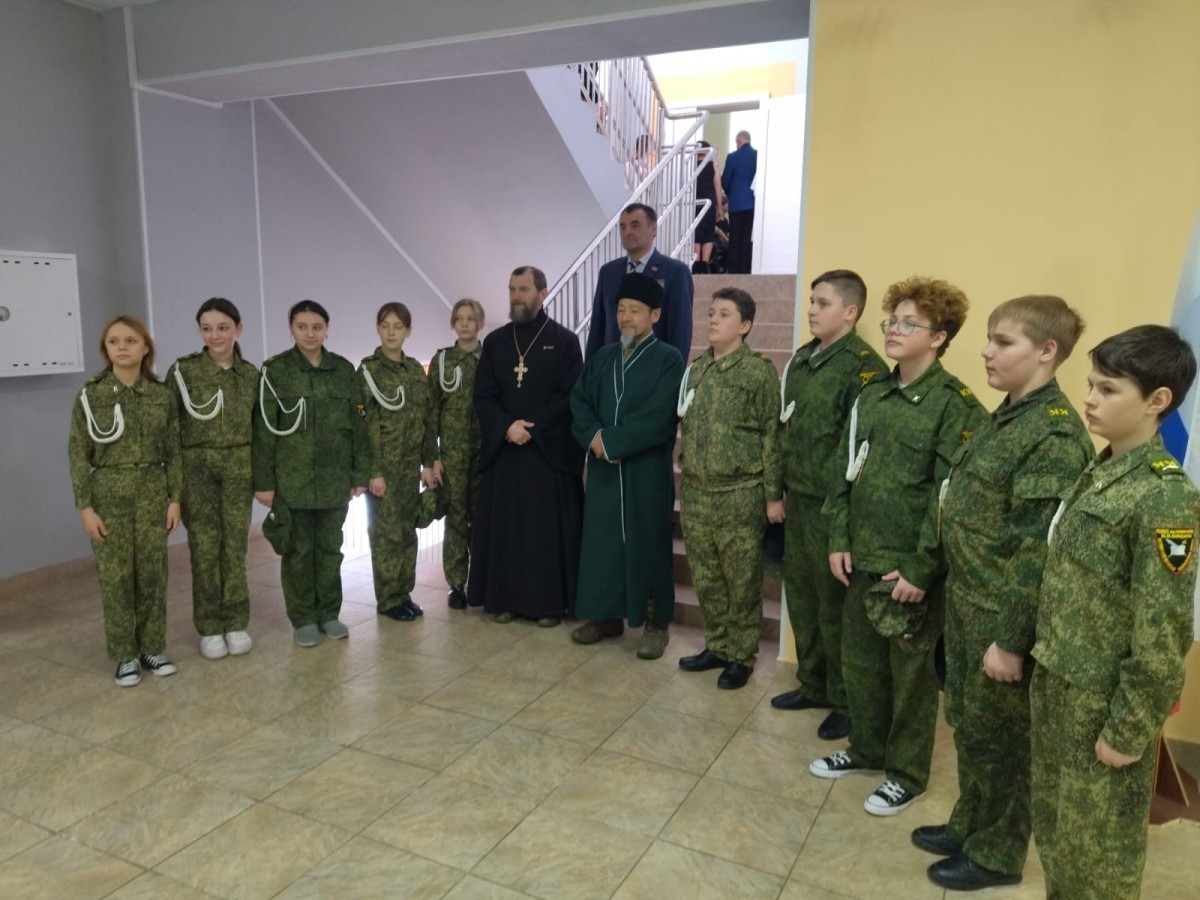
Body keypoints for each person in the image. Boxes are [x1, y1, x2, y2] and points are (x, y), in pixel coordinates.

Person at [917, 296, 1093, 890]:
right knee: (972, 726)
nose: (987, 352)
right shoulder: (1008, 417)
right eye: (990, 338)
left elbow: (1035, 550)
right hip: (969, 604)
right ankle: (971, 823)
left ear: (1047, 351)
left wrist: (1012, 640)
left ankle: (996, 853)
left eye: (1003, 342)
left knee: (1003, 743)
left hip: (1001, 615)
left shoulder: (1053, 435)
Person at [1029, 325, 1200, 899]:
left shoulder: (1165, 495)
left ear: (1157, 400)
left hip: (1102, 705)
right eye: (1090, 385)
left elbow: (1163, 630)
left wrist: (1128, 730)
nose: (1090, 400)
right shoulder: (1101, 470)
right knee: (1058, 841)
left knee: (1098, 863)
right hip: (1059, 686)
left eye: (1108, 389)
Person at [810, 276, 987, 817]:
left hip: (908, 572)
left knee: (911, 680)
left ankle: (906, 775)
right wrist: (839, 537)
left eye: (910, 324)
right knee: (860, 666)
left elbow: (947, 499)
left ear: (939, 337)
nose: (894, 330)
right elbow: (845, 472)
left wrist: (920, 568)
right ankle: (866, 749)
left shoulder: (954, 406)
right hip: (860, 559)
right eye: (893, 320)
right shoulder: (872, 395)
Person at [771, 270, 885, 743]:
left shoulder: (864, 368)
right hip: (798, 501)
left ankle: (844, 700)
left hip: (834, 509)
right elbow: (783, 429)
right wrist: (775, 491)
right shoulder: (803, 359)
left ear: (851, 312)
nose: (812, 310)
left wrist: (842, 515)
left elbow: (858, 448)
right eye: (811, 302)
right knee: (802, 599)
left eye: (823, 303)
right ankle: (813, 683)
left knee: (836, 610)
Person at [570, 273, 684, 659]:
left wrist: (614, 442)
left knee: (648, 542)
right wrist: (594, 439)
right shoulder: (603, 357)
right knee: (602, 542)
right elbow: (580, 401)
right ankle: (605, 617)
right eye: (621, 310)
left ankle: (655, 623)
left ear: (655, 314)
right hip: (603, 470)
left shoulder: (668, 359)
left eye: (635, 310)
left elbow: (660, 415)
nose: (625, 318)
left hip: (644, 469)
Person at [676, 287, 783, 689]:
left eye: (724, 314)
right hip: (697, 493)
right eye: (711, 313)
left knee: (741, 581)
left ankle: (741, 655)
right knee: (706, 577)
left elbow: (772, 435)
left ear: (745, 325)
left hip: (740, 494)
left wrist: (772, 495)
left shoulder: (757, 371)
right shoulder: (697, 369)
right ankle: (717, 645)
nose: (713, 320)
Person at [68, 315, 182, 687]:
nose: (122, 347)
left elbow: (174, 451)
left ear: (145, 347)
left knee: (152, 577)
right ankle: (125, 656)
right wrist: (85, 507)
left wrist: (175, 499)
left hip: (152, 493)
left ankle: (152, 648)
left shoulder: (161, 395)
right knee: (116, 579)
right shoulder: (91, 395)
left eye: (131, 341)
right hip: (109, 494)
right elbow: (77, 454)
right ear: (106, 349)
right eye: (114, 341)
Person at [467, 266, 584, 625]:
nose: (516, 296)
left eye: (523, 289)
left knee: (542, 533)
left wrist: (531, 427)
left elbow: (570, 395)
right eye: (511, 289)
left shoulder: (565, 341)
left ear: (542, 293)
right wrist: (506, 427)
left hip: (547, 452)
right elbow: (483, 395)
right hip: (506, 450)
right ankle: (505, 600)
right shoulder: (496, 342)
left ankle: (548, 605)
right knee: (508, 531)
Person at [253, 300, 370, 647]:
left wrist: (359, 474)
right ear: (291, 329)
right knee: (298, 552)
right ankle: (303, 617)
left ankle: (329, 613)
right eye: (302, 326)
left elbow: (359, 425)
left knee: (331, 550)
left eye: (317, 327)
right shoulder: (275, 371)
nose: (309, 333)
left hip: (335, 480)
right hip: (293, 481)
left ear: (326, 330)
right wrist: (264, 482)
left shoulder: (344, 370)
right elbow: (263, 430)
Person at [167, 298, 259, 660]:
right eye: (207, 329)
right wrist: (173, 489)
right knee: (204, 550)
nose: (215, 335)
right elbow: (170, 431)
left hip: (239, 470)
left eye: (223, 328)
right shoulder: (183, 372)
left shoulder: (250, 375)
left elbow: (261, 430)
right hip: (197, 471)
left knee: (235, 549)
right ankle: (209, 627)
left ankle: (235, 622)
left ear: (238, 329)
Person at [359, 302, 437, 623]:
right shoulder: (368, 371)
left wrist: (429, 461)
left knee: (407, 532)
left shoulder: (416, 370)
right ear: (378, 329)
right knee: (386, 536)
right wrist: (373, 472)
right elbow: (364, 425)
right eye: (385, 325)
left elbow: (426, 418)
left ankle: (404, 593)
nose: (391, 332)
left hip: (409, 469)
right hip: (384, 470)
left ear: (408, 331)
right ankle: (389, 599)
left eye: (398, 326)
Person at [585, 203, 694, 364]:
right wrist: (590, 369)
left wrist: (673, 371)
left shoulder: (675, 272)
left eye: (635, 225)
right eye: (623, 227)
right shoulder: (608, 272)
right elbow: (597, 327)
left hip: (653, 368)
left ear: (653, 229)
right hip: (612, 368)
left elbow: (680, 330)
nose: (627, 232)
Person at [429, 298, 485, 610]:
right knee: (456, 517)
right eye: (459, 319)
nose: (464, 324)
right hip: (451, 454)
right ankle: (456, 584)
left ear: (480, 323)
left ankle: (482, 578)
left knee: (482, 516)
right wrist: (432, 456)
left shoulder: (491, 358)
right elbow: (431, 411)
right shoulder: (442, 361)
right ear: (453, 323)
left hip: (484, 452)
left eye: (470, 318)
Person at [721, 130, 757, 274]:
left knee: (735, 236)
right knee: (747, 236)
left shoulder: (732, 157)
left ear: (739, 141)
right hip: (752, 202)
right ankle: (746, 268)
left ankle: (734, 269)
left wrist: (730, 194)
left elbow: (725, 180)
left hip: (736, 203)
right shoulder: (758, 155)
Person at [693, 141, 722, 274]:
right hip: (709, 203)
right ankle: (704, 264)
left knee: (696, 233)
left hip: (694, 202)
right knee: (708, 233)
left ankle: (696, 263)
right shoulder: (712, 166)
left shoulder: (690, 166)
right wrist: (719, 207)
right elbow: (718, 188)